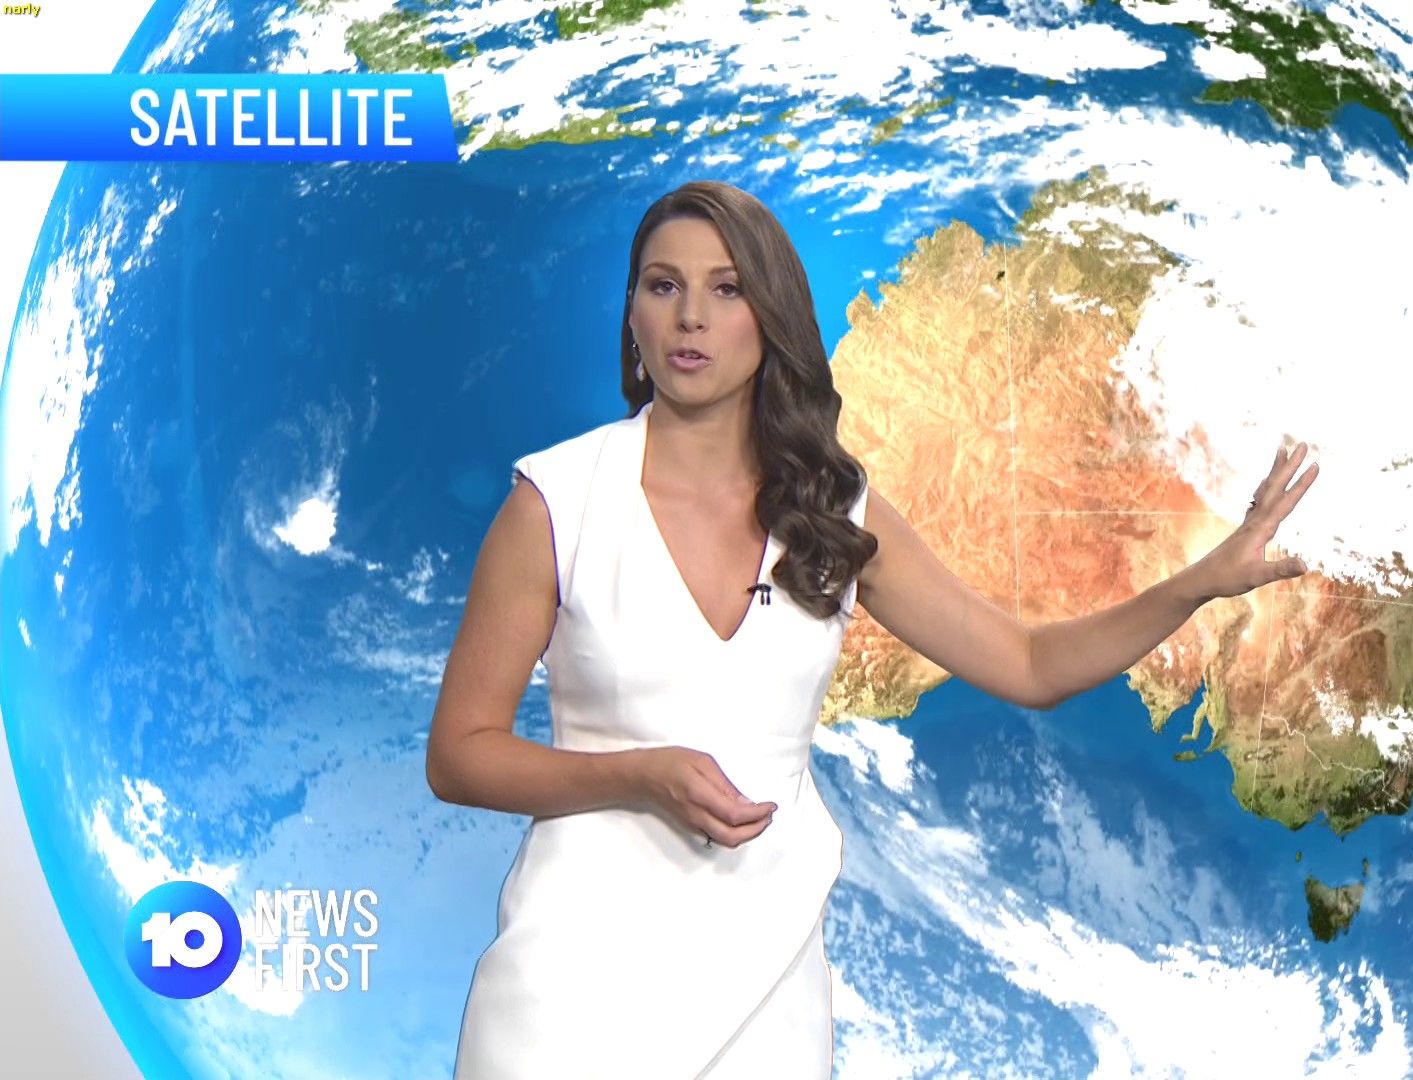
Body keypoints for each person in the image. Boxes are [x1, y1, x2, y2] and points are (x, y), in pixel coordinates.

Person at [425, 180, 1320, 1079]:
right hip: (569, 999)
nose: (691, 316)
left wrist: (1197, 585)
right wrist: (637, 775)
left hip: (763, 999)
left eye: (727, 289)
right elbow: (459, 754)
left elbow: (1028, 663)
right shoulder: (556, 505)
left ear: (770, 317)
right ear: (632, 316)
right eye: (664, 286)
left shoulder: (832, 512)